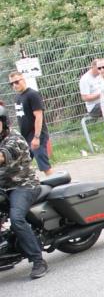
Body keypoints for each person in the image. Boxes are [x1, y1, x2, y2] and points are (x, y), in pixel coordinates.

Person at [0, 104, 48, 278]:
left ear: (4, 122)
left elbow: (2, 157)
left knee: (16, 219)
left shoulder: (14, 139)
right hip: (4, 187)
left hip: (23, 185)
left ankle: (38, 261)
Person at [8, 71, 53, 176]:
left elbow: (39, 116)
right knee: (22, 165)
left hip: (36, 136)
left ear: (23, 79)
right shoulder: (17, 97)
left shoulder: (32, 94)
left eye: (17, 82)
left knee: (44, 165)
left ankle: (58, 183)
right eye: (11, 83)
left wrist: (36, 137)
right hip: (25, 137)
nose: (14, 85)